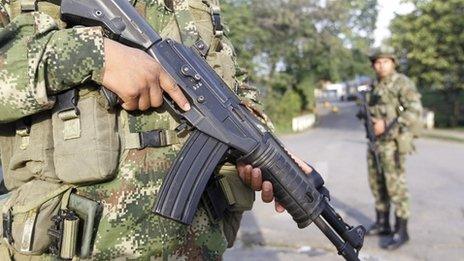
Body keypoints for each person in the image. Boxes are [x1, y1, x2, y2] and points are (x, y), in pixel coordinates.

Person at [0, 0, 311, 259]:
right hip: (68, 245)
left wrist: (264, 146)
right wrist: (96, 56)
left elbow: (231, 86)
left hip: (193, 249)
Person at [364, 46, 422, 250]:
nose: (381, 65)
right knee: (377, 185)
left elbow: (415, 109)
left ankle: (402, 230)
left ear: (393, 63)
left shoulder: (402, 83)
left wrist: (387, 123)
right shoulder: (374, 85)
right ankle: (382, 223)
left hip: (393, 143)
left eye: (385, 61)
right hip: (375, 143)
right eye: (377, 62)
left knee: (396, 187)